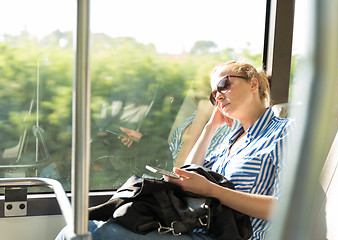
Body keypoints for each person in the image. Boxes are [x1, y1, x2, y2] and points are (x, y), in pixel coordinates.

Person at [56, 60, 293, 240]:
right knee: (78, 230)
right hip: (192, 227)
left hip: (228, 236)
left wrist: (212, 190)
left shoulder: (284, 131)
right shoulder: (231, 138)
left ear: (253, 84)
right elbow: (188, 171)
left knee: (82, 234)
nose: (218, 96)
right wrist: (210, 128)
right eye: (213, 94)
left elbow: (284, 207)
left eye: (224, 85)